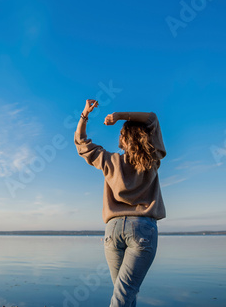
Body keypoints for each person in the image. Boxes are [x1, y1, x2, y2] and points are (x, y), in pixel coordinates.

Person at [74, 99, 167, 307]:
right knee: (124, 296)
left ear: (124, 138)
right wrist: (120, 116)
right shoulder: (152, 159)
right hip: (143, 229)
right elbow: (152, 118)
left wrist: (84, 114)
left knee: (125, 296)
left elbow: (81, 143)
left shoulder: (110, 161)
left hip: (113, 230)